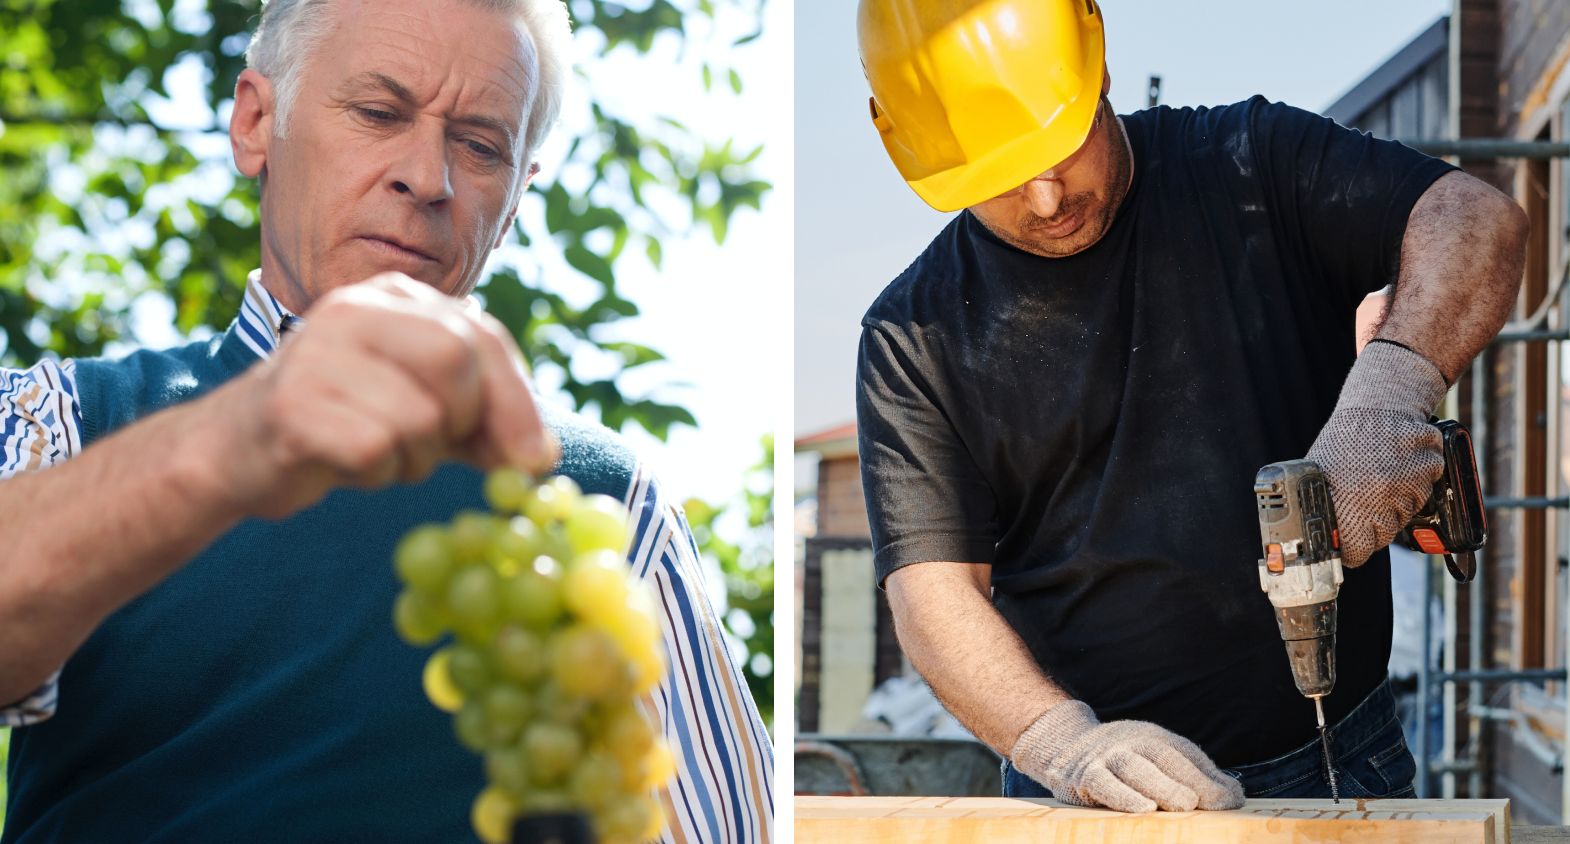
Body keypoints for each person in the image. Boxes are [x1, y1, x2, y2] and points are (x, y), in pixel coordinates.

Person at [0, 0, 772, 841]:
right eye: (378, 112)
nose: (428, 177)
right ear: (257, 123)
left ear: (515, 202)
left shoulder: (604, 502)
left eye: (480, 146)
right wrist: (226, 442)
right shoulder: (65, 418)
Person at [853, 0, 1526, 813]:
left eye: (1061, 146)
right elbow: (932, 594)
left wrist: (1394, 386)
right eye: (996, 175)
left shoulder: (1249, 164)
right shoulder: (912, 334)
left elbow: (1474, 217)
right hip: (1093, 792)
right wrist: (1060, 742)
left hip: (1341, 752)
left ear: (1097, 64)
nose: (1042, 197)